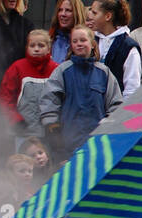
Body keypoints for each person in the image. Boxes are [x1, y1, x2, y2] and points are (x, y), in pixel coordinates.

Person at [39, 26, 123, 157]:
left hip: (98, 145)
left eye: (83, 40)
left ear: (92, 44)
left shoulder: (104, 73)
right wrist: (53, 129)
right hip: (67, 145)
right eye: (75, 41)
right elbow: (49, 100)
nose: (79, 44)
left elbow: (116, 105)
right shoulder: (62, 71)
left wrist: (108, 127)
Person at [0, 29, 58, 139]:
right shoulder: (17, 68)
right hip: (22, 131)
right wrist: (15, 120)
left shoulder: (56, 70)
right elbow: (5, 98)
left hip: (48, 132)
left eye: (41, 45)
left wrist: (56, 123)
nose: (36, 49)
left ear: (49, 48)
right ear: (27, 47)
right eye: (32, 45)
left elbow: (61, 100)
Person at [88, 0, 142, 98]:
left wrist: (121, 113)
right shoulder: (91, 40)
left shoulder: (128, 47)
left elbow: (132, 89)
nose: (90, 17)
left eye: (95, 13)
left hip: (116, 109)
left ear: (108, 16)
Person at [47, 0, 87, 65]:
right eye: (60, 10)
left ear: (77, 13)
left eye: (68, 10)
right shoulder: (50, 38)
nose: (63, 14)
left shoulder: (87, 40)